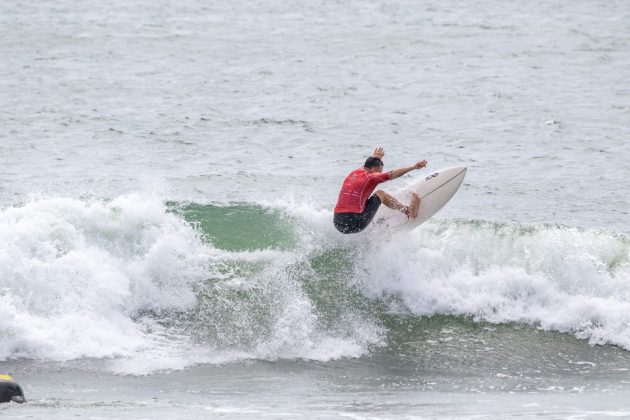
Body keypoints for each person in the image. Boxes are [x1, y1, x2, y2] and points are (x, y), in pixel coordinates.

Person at [333, 147, 428, 234]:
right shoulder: (370, 177)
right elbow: (392, 174)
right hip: (356, 222)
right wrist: (413, 167)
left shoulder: (355, 172)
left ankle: (373, 224)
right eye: (379, 172)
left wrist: (376, 158)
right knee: (380, 194)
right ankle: (407, 210)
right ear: (372, 170)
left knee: (363, 200)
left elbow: (369, 165)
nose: (379, 175)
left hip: (338, 222)